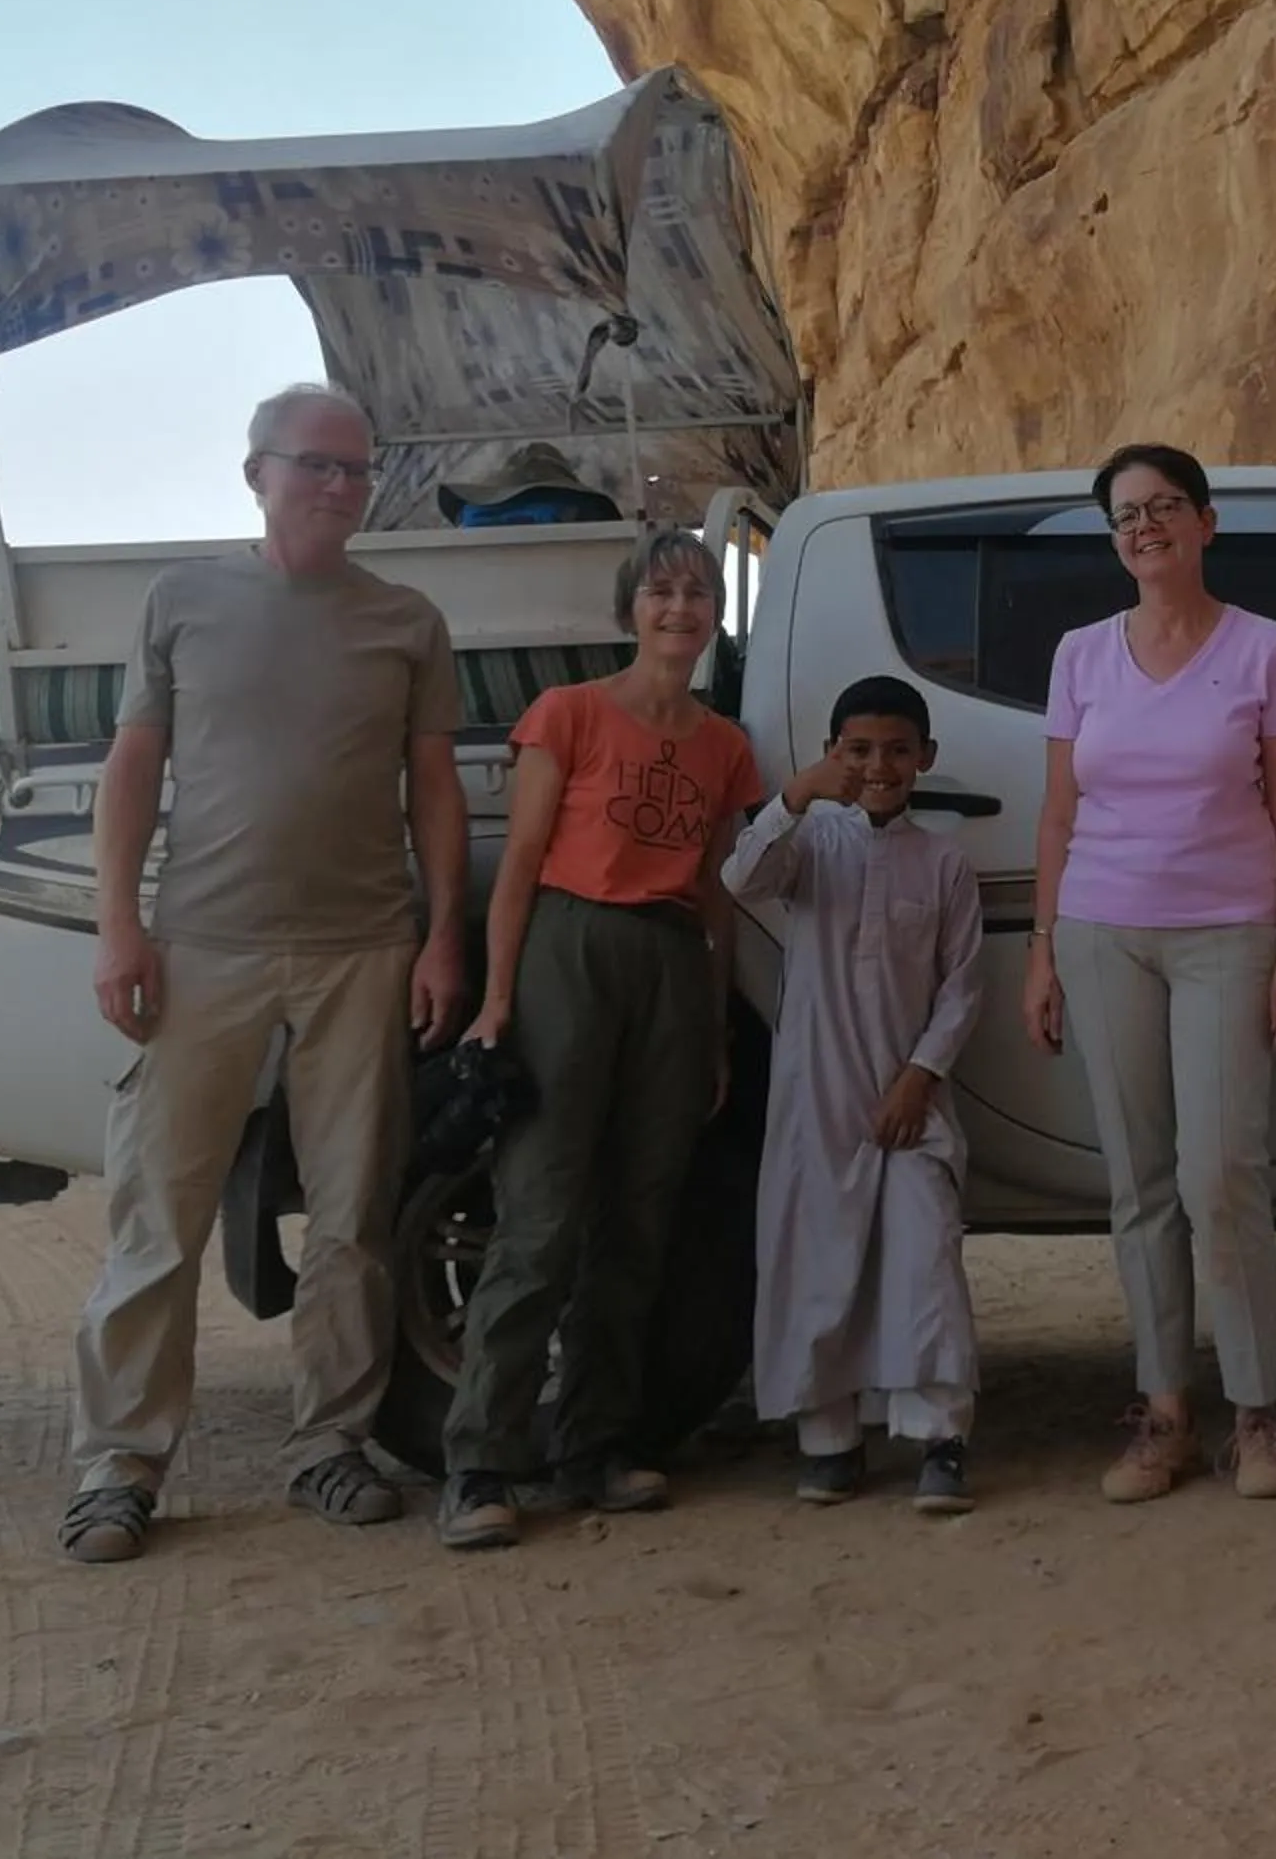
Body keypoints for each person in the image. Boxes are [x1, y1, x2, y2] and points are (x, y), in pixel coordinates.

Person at [62, 382, 467, 1565]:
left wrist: (443, 935)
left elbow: (433, 788)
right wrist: (118, 929)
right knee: (160, 1216)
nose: (340, 487)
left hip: (363, 953)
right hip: (203, 950)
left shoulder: (406, 620)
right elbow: (133, 768)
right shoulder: (183, 601)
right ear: (258, 474)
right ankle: (118, 1466)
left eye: (356, 468)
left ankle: (328, 1448)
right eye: (316, 466)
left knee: (351, 1218)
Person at [434, 528, 762, 1551]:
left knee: (638, 1221)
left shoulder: (724, 747)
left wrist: (708, 1031)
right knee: (540, 1217)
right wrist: (497, 1001)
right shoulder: (570, 715)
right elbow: (523, 861)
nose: (680, 610)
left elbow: (712, 895)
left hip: (668, 960)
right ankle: (482, 1461)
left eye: (698, 594)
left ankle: (597, 1446)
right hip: (570, 952)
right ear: (631, 610)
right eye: (662, 593)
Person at [1024, 444, 1276, 1503]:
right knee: (1140, 1183)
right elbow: (1059, 813)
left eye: (1161, 508)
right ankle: (1164, 1413)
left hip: (1229, 937)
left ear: (1205, 522)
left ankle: (1257, 1410)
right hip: (1103, 934)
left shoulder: (1263, 649)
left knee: (1221, 1173)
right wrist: (1041, 951)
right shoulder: (1081, 655)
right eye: (1123, 516)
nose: (1142, 528)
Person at [723, 677, 988, 1513]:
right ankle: (828, 1441)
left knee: (924, 1257)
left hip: (910, 1097)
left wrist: (920, 1077)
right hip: (819, 1094)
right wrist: (797, 795)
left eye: (898, 751)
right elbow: (742, 880)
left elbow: (963, 985)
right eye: (860, 751)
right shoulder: (811, 845)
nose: (880, 767)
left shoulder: (943, 858)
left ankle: (941, 1439)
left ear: (926, 759)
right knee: (819, 1256)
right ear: (837, 754)